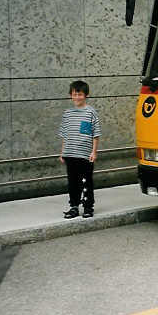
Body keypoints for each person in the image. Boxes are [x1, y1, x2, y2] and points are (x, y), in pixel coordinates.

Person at [58, 80, 102, 219]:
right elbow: (65, 134)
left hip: (85, 154)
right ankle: (74, 207)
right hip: (70, 153)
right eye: (74, 94)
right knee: (73, 181)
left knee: (86, 181)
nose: (77, 97)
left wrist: (94, 152)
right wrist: (62, 152)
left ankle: (88, 207)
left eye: (80, 94)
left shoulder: (90, 113)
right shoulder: (67, 113)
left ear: (86, 95)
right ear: (71, 95)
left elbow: (95, 134)